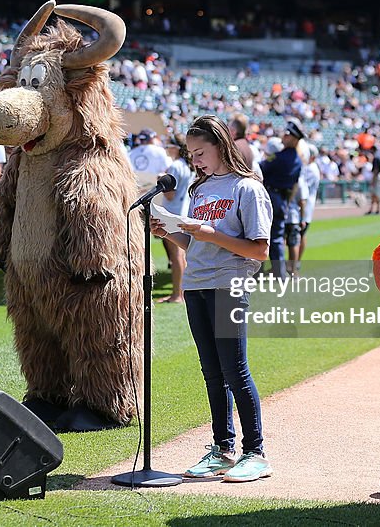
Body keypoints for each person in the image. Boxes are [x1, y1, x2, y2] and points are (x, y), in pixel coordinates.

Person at [150, 115, 272, 483]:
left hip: (229, 284)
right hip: (197, 283)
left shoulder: (247, 189)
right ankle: (222, 449)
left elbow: (259, 249)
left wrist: (205, 230)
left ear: (221, 145)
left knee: (235, 369)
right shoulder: (199, 190)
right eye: (190, 154)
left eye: (201, 152)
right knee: (212, 372)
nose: (195, 160)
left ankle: (256, 452)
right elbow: (198, 242)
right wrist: (172, 231)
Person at [259, 119, 304, 277]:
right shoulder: (298, 161)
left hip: (269, 197)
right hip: (283, 200)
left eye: (287, 134)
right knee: (277, 237)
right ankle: (280, 273)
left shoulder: (278, 157)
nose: (283, 137)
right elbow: (294, 186)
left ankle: (258, 273)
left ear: (293, 138)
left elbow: (260, 169)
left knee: (260, 234)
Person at [156, 132, 193, 304]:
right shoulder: (186, 165)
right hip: (182, 212)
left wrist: (160, 181)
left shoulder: (176, 166)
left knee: (176, 255)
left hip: (172, 214)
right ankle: (181, 292)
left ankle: (177, 294)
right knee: (181, 255)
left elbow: (169, 195)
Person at [297, 143, 320, 270]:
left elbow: (302, 189)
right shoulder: (309, 167)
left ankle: (296, 263)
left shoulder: (311, 169)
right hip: (304, 207)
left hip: (304, 208)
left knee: (299, 236)